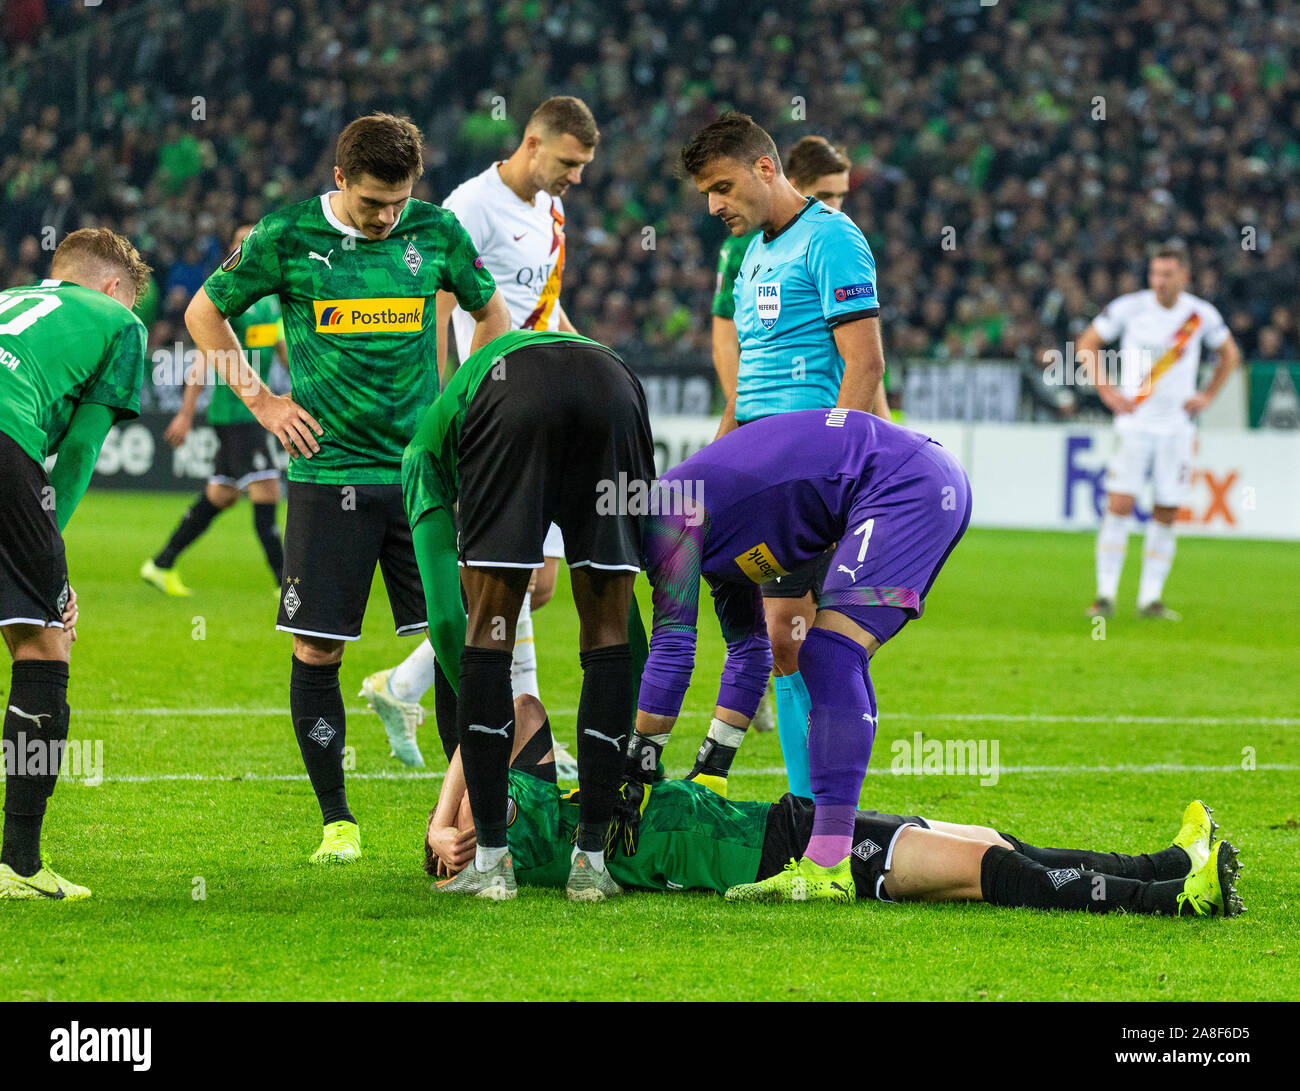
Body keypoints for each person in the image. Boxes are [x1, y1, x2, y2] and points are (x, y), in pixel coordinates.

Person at [185, 113, 510, 864]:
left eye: (398, 201)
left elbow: (490, 312)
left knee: (457, 642)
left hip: (420, 475)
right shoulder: (287, 236)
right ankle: (337, 819)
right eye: (371, 202)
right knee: (317, 650)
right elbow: (206, 311)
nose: (387, 216)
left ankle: (457, 821)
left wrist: (460, 402)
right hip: (327, 475)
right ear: (340, 180)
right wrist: (263, 401)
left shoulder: (436, 233)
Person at [424, 710, 1242, 919]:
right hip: (779, 857)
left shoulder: (528, 781)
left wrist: (442, 813)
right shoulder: (530, 839)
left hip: (778, 819)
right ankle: (1171, 897)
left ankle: (1164, 865)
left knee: (986, 843)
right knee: (978, 868)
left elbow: (502, 711)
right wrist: (453, 841)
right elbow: (488, 724)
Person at [630, 407, 970, 904]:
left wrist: (637, 766)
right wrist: (711, 770)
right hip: (921, 476)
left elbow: (675, 648)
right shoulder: (709, 528)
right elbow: (749, 651)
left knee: (830, 653)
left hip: (900, 484)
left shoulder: (665, 513)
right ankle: (826, 857)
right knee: (828, 653)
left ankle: (827, 866)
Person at [362, 97, 600, 774]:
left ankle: (403, 683)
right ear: (532, 142)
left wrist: (590, 358)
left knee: (537, 580)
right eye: (569, 163)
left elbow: (542, 310)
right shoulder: (472, 204)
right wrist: (441, 402)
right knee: (508, 570)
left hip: (538, 408)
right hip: (489, 411)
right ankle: (530, 737)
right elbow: (434, 300)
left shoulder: (550, 213)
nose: (576, 178)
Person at [402, 328, 653, 901]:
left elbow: (447, 621)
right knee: (608, 630)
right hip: (614, 384)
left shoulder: (421, 455)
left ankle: (492, 865)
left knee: (489, 631)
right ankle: (591, 863)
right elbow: (632, 636)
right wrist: (635, 733)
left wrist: (479, 718)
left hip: (512, 394)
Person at [684, 115, 890, 798]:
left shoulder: (831, 238)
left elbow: (864, 366)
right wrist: (712, 465)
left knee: (795, 636)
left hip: (807, 473)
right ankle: (782, 792)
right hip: (754, 469)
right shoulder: (750, 259)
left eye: (722, 186)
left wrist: (837, 479)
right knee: (778, 639)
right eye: (707, 194)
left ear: (765, 168)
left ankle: (815, 810)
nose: (715, 206)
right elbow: (747, 390)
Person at [0, 228, 150, 899]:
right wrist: (48, 558)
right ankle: (20, 866)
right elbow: (84, 449)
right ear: (114, 288)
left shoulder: (11, 299)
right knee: (45, 639)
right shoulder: (120, 322)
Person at [1078, 241, 1241, 620]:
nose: (1159, 281)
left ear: (1185, 276)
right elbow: (1087, 345)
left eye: (1167, 274)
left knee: (1166, 511)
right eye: (1155, 273)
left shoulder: (1200, 315)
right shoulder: (1130, 308)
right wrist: (1106, 390)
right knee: (1119, 505)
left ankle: (1150, 599)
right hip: (1135, 425)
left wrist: (1208, 395)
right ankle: (1105, 596)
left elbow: (1230, 354)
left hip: (1177, 429)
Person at [141, 225, 288, 596]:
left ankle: (161, 563)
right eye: (240, 242)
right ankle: (287, 584)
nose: (248, 247)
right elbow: (206, 357)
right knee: (267, 488)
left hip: (249, 413)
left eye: (254, 240)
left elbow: (280, 350)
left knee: (222, 494)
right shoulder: (232, 295)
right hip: (237, 411)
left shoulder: (270, 298)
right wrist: (187, 412)